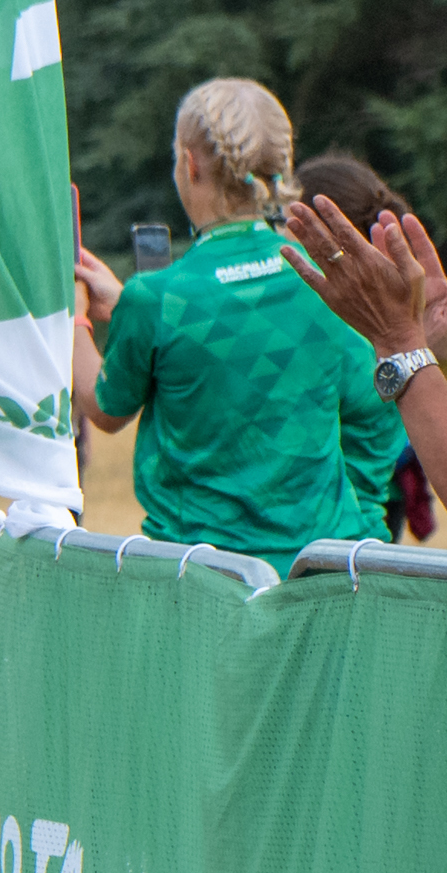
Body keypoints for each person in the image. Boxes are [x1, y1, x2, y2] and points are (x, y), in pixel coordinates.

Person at [63, 79, 400, 565]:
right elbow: (370, 406)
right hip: (318, 572)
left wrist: (75, 318)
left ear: (189, 163)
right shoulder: (326, 281)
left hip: (204, 581)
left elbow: (105, 407)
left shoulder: (157, 299)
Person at [293, 154, 435, 538]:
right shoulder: (395, 330)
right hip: (376, 519)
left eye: (284, 225)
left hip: (330, 541)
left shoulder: (347, 338)